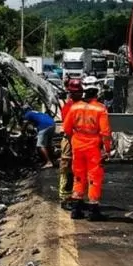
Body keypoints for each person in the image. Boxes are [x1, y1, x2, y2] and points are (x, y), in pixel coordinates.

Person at [63, 76, 112, 221]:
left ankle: (76, 209)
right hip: (93, 148)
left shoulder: (74, 107)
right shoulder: (100, 109)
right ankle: (93, 210)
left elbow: (66, 129)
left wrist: (76, 139)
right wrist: (107, 150)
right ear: (97, 91)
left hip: (77, 145)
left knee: (78, 176)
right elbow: (105, 133)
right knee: (94, 177)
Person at [59, 78, 84, 210]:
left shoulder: (82, 106)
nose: (78, 94)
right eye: (76, 92)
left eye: (79, 92)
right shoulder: (68, 107)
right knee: (67, 168)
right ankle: (65, 198)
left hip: (80, 141)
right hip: (70, 140)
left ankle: (76, 197)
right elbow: (68, 128)